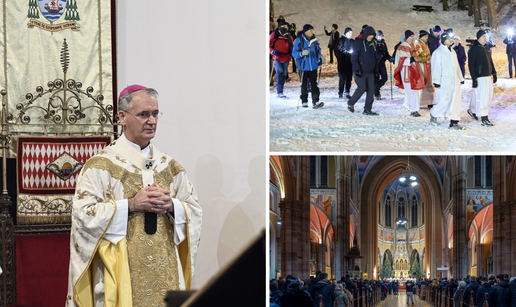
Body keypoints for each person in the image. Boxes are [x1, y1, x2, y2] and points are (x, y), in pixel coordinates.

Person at [66, 85, 203, 306]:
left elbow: (195, 210)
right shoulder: (101, 166)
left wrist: (173, 206)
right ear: (122, 117)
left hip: (165, 270)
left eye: (155, 113)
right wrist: (130, 205)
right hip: (120, 273)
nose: (152, 121)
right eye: (143, 114)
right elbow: (83, 216)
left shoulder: (170, 166)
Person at [429, 31, 465, 130]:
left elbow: (456, 66)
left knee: (456, 100)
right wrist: (436, 81)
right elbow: (436, 67)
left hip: (454, 80)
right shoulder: (438, 52)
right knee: (445, 99)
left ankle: (454, 122)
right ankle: (434, 113)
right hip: (444, 80)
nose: (451, 40)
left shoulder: (453, 51)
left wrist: (460, 77)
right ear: (444, 40)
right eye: (449, 38)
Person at [347, 25, 380, 115]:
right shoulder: (358, 43)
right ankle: (350, 103)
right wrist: (357, 68)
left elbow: (375, 58)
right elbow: (354, 57)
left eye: (372, 35)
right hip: (360, 71)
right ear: (366, 35)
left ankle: (367, 109)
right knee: (362, 88)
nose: (371, 37)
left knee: (371, 90)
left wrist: (376, 70)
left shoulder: (373, 44)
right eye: (370, 35)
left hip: (370, 71)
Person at [394, 30, 428, 117]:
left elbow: (421, 54)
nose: (413, 38)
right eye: (411, 36)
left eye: (413, 36)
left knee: (416, 90)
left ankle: (409, 105)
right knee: (411, 91)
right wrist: (412, 59)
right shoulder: (402, 47)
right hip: (406, 71)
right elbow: (401, 60)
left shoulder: (416, 45)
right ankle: (413, 110)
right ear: (407, 37)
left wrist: (422, 58)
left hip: (416, 70)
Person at [467, 29, 497, 127]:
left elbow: (490, 60)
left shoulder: (486, 47)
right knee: (483, 97)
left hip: (487, 75)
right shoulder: (474, 49)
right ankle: (484, 118)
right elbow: (471, 65)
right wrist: (474, 79)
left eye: (486, 37)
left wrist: (494, 72)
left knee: (485, 96)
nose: (486, 38)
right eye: (484, 37)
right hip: (480, 77)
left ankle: (473, 110)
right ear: (479, 37)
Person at [292, 24, 325, 109]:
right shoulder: (298, 40)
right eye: (310, 30)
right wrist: (301, 53)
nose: (312, 32)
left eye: (312, 30)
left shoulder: (314, 40)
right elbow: (294, 53)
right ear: (306, 31)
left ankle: (315, 101)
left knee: (314, 84)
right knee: (304, 85)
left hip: (313, 66)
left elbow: (318, 50)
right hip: (303, 67)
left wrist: (320, 57)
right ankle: (304, 101)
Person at [270, 20, 293, 98]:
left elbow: (292, 45)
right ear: (279, 27)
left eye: (286, 27)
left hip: (286, 58)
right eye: (283, 27)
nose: (285, 28)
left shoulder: (288, 37)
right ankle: (279, 91)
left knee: (284, 74)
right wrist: (272, 51)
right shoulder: (274, 36)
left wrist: (292, 50)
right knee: (280, 72)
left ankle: (281, 90)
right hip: (277, 57)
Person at [416, 30, 434, 107]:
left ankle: (429, 102)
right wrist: (426, 59)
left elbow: (428, 54)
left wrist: (429, 58)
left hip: (427, 66)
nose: (427, 38)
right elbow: (417, 57)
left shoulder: (424, 44)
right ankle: (419, 102)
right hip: (421, 67)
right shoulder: (417, 44)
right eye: (426, 36)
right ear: (422, 36)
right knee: (422, 84)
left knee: (428, 84)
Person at [335, 27, 354, 99]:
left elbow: (355, 48)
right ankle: (340, 92)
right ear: (345, 33)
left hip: (350, 62)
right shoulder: (341, 40)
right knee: (342, 78)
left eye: (351, 33)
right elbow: (339, 48)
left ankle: (347, 91)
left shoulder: (352, 41)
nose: (350, 34)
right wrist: (346, 52)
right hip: (342, 62)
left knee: (349, 78)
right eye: (349, 33)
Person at [374, 30, 391, 100]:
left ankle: (375, 88)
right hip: (375, 64)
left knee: (384, 78)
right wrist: (377, 56)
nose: (380, 37)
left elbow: (386, 53)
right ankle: (376, 93)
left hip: (382, 63)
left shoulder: (383, 43)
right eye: (379, 36)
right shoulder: (374, 43)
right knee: (376, 79)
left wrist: (390, 58)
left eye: (381, 36)